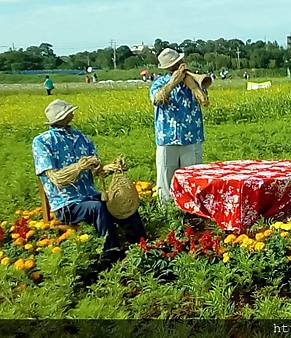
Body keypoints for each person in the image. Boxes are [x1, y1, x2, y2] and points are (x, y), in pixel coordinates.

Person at [32, 99, 146, 261]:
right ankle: (111, 256)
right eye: (69, 112)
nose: (73, 114)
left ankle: (141, 245)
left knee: (122, 201)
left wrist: (112, 167)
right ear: (62, 117)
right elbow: (56, 178)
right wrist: (78, 167)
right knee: (97, 208)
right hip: (67, 204)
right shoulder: (43, 142)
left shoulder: (79, 137)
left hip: (89, 194)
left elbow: (96, 170)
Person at [150, 48, 205, 202]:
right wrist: (173, 82)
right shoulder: (158, 83)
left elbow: (204, 99)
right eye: (175, 65)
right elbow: (157, 99)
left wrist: (192, 84)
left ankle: (192, 211)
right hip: (167, 137)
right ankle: (166, 210)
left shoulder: (192, 82)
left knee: (192, 177)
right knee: (165, 177)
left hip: (191, 136)